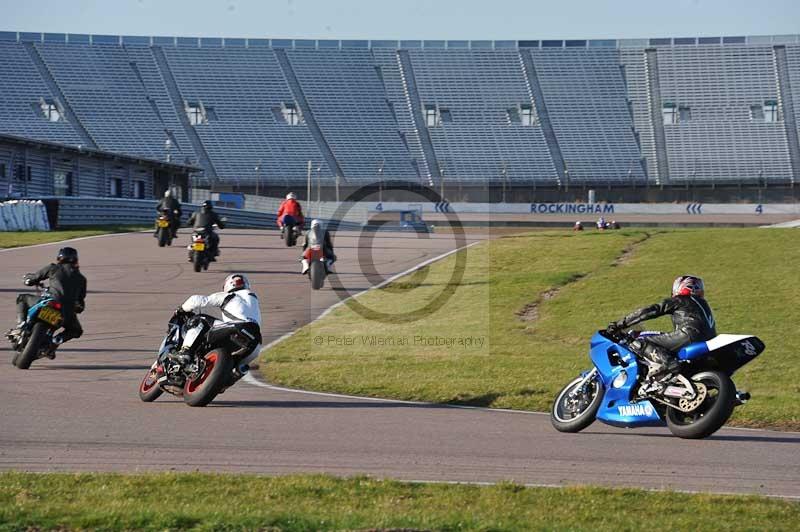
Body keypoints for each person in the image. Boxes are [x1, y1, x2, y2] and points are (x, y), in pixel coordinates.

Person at [609, 275, 716, 382]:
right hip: (708, 341)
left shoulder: (680, 300)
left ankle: (669, 363)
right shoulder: (704, 305)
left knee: (640, 342)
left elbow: (651, 311)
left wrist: (620, 324)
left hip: (688, 336)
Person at [175, 274, 261, 375]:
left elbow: (196, 300)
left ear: (228, 285)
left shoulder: (230, 295)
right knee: (234, 370)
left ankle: (186, 352)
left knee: (200, 319)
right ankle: (231, 376)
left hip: (237, 328)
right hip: (256, 343)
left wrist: (181, 309)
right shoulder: (253, 299)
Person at [12, 247, 87, 357]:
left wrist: (28, 279)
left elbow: (34, 278)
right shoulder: (82, 279)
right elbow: (80, 302)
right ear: (75, 259)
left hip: (51, 302)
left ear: (59, 258)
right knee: (76, 331)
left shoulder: (53, 268)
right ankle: (57, 339)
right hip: (66, 312)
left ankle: (21, 324)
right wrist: (78, 307)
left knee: (22, 298)